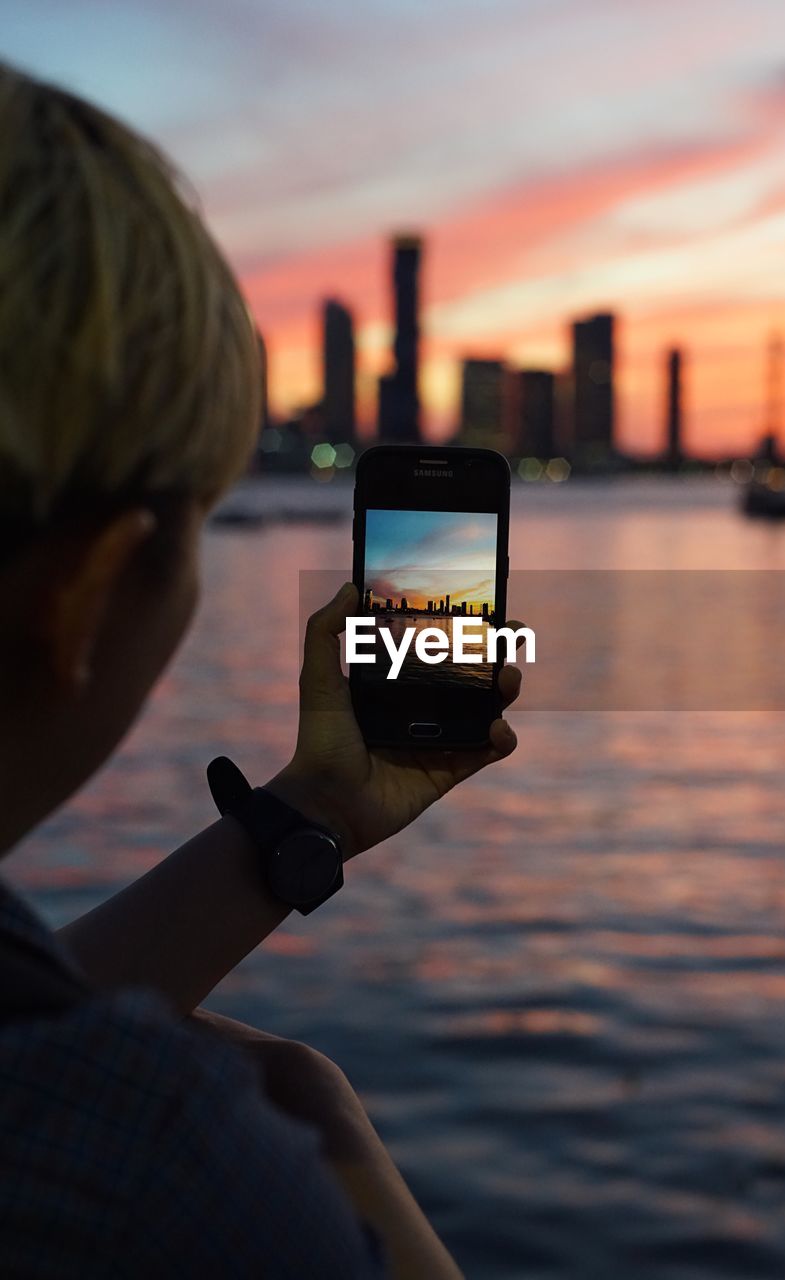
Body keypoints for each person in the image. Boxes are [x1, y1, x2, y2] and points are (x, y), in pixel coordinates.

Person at [0, 61, 521, 1279]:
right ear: (86, 590)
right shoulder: (156, 1170)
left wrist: (308, 816)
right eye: (200, 512)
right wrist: (334, 1142)